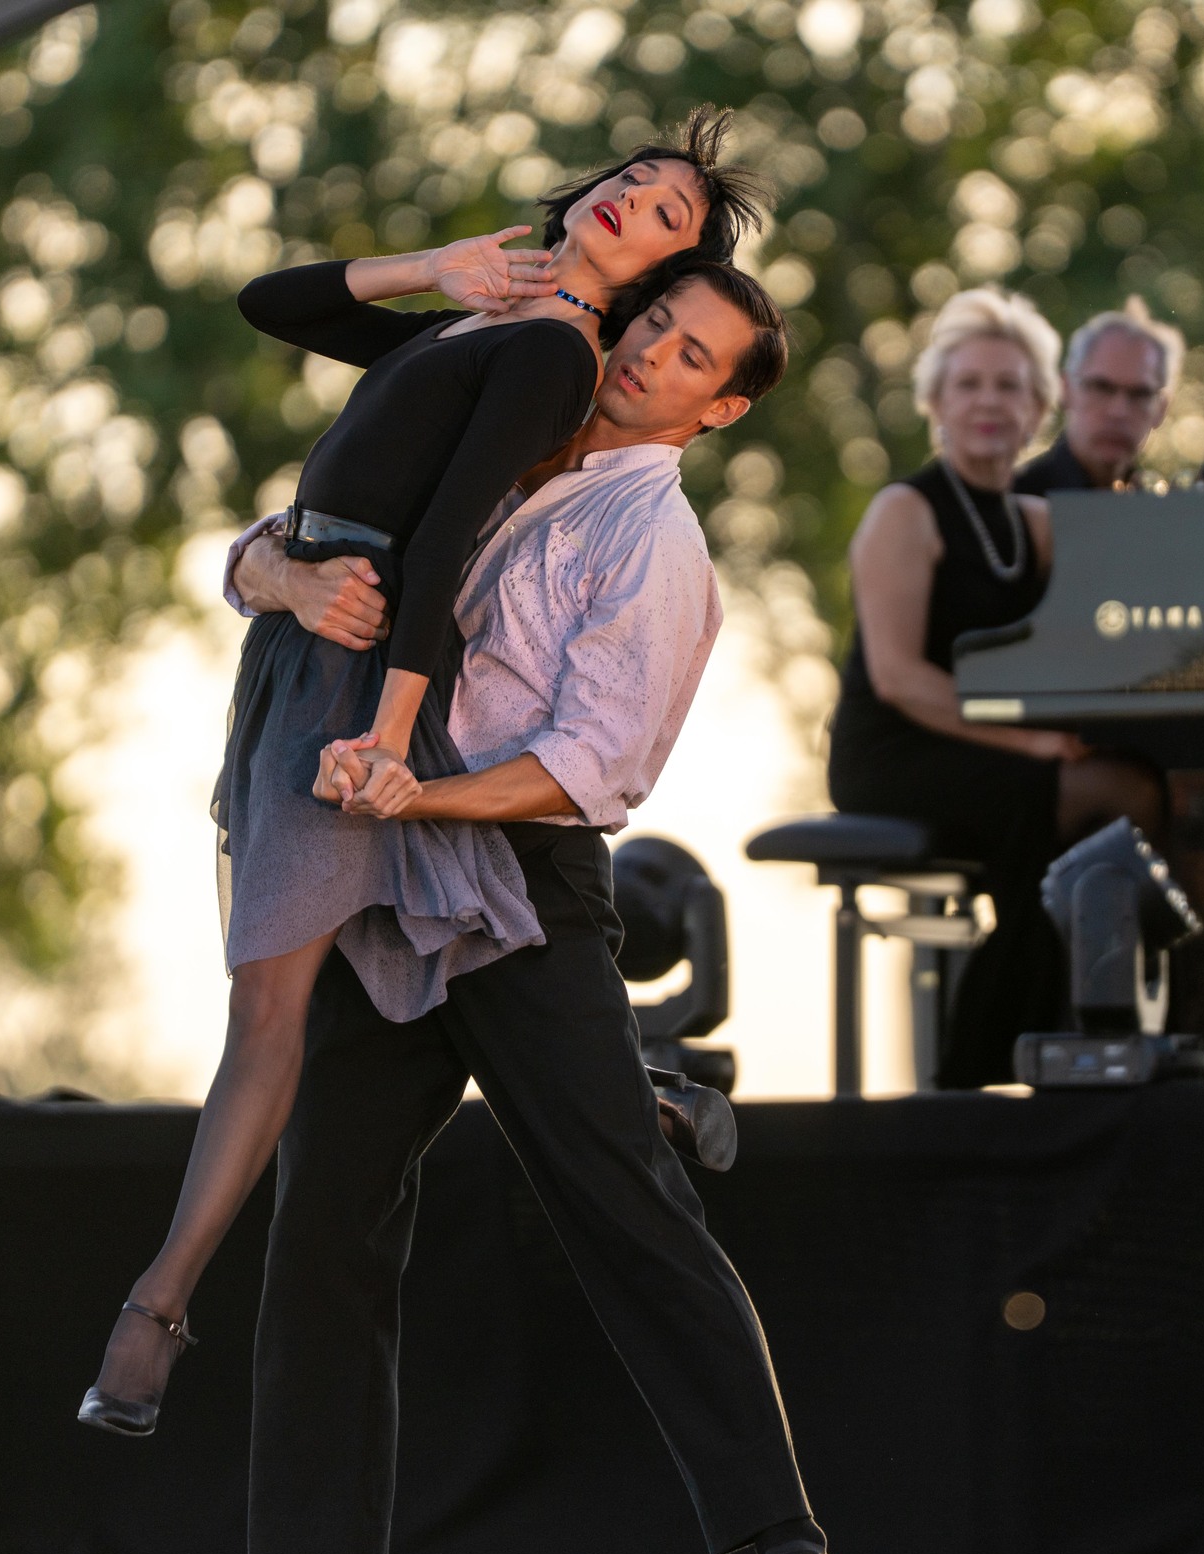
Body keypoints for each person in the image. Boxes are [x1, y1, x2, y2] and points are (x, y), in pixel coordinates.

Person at [77, 112, 762, 1452]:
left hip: (363, 687)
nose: (635, 199)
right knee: (390, 962)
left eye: (670, 214)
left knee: (273, 1008)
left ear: (655, 280)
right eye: (634, 178)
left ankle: (155, 1311)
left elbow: (441, 543)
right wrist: (430, 270)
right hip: (295, 660)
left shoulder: (556, 361)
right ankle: (641, 1092)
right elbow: (270, 303)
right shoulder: (486, 320)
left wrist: (390, 736)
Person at [191, 262, 844, 1554]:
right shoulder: (498, 424)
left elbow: (590, 768)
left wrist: (421, 794)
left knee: (620, 1200)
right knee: (329, 1196)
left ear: (719, 408)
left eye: (692, 356)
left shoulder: (655, 543)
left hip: (523, 882)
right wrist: (277, 573)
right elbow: (300, 530)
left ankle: (785, 1531)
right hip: (383, 866)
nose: (652, 353)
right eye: (655, 322)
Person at [827, 289, 1165, 1090]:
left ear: (1042, 407)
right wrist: (1035, 742)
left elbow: (1132, 598)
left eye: (1009, 386)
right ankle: (982, 1069)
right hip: (895, 753)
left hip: (985, 749)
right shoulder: (906, 511)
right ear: (937, 403)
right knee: (1116, 798)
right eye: (969, 384)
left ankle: (1073, 1046)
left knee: (1119, 802)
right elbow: (899, 680)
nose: (988, 402)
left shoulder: (1032, 523)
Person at [1012, 297, 1184, 495]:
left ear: (1161, 409)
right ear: (1066, 390)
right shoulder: (1015, 501)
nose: (1118, 411)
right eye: (1101, 388)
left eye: (1140, 394)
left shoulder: (1161, 506)